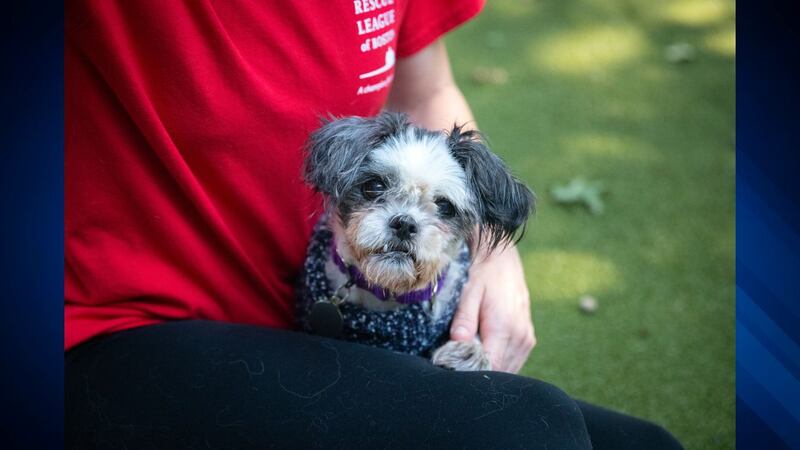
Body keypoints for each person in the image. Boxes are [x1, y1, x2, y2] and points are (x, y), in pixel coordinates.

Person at [64, 1, 683, 448]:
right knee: (530, 429)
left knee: (645, 443)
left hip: (298, 320)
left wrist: (493, 252)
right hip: (124, 322)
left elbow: (427, 93)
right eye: (374, 188)